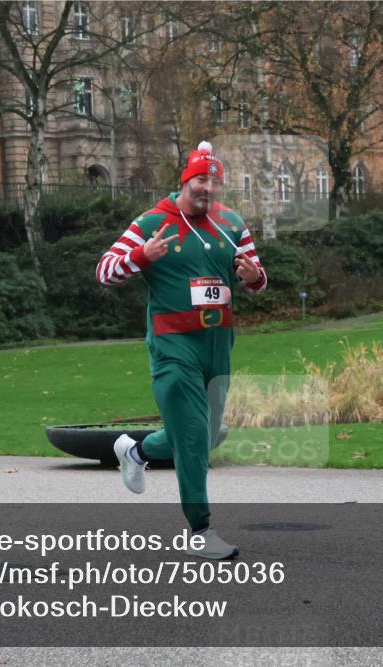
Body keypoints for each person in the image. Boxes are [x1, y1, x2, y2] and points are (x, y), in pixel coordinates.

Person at [96, 141, 267, 560]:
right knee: (192, 436)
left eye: (213, 181)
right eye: (199, 180)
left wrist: (253, 276)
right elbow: (104, 271)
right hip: (173, 344)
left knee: (203, 437)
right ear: (184, 180)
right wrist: (142, 255)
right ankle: (200, 530)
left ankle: (135, 451)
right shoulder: (152, 221)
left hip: (219, 344)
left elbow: (256, 277)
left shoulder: (231, 223)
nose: (206, 188)